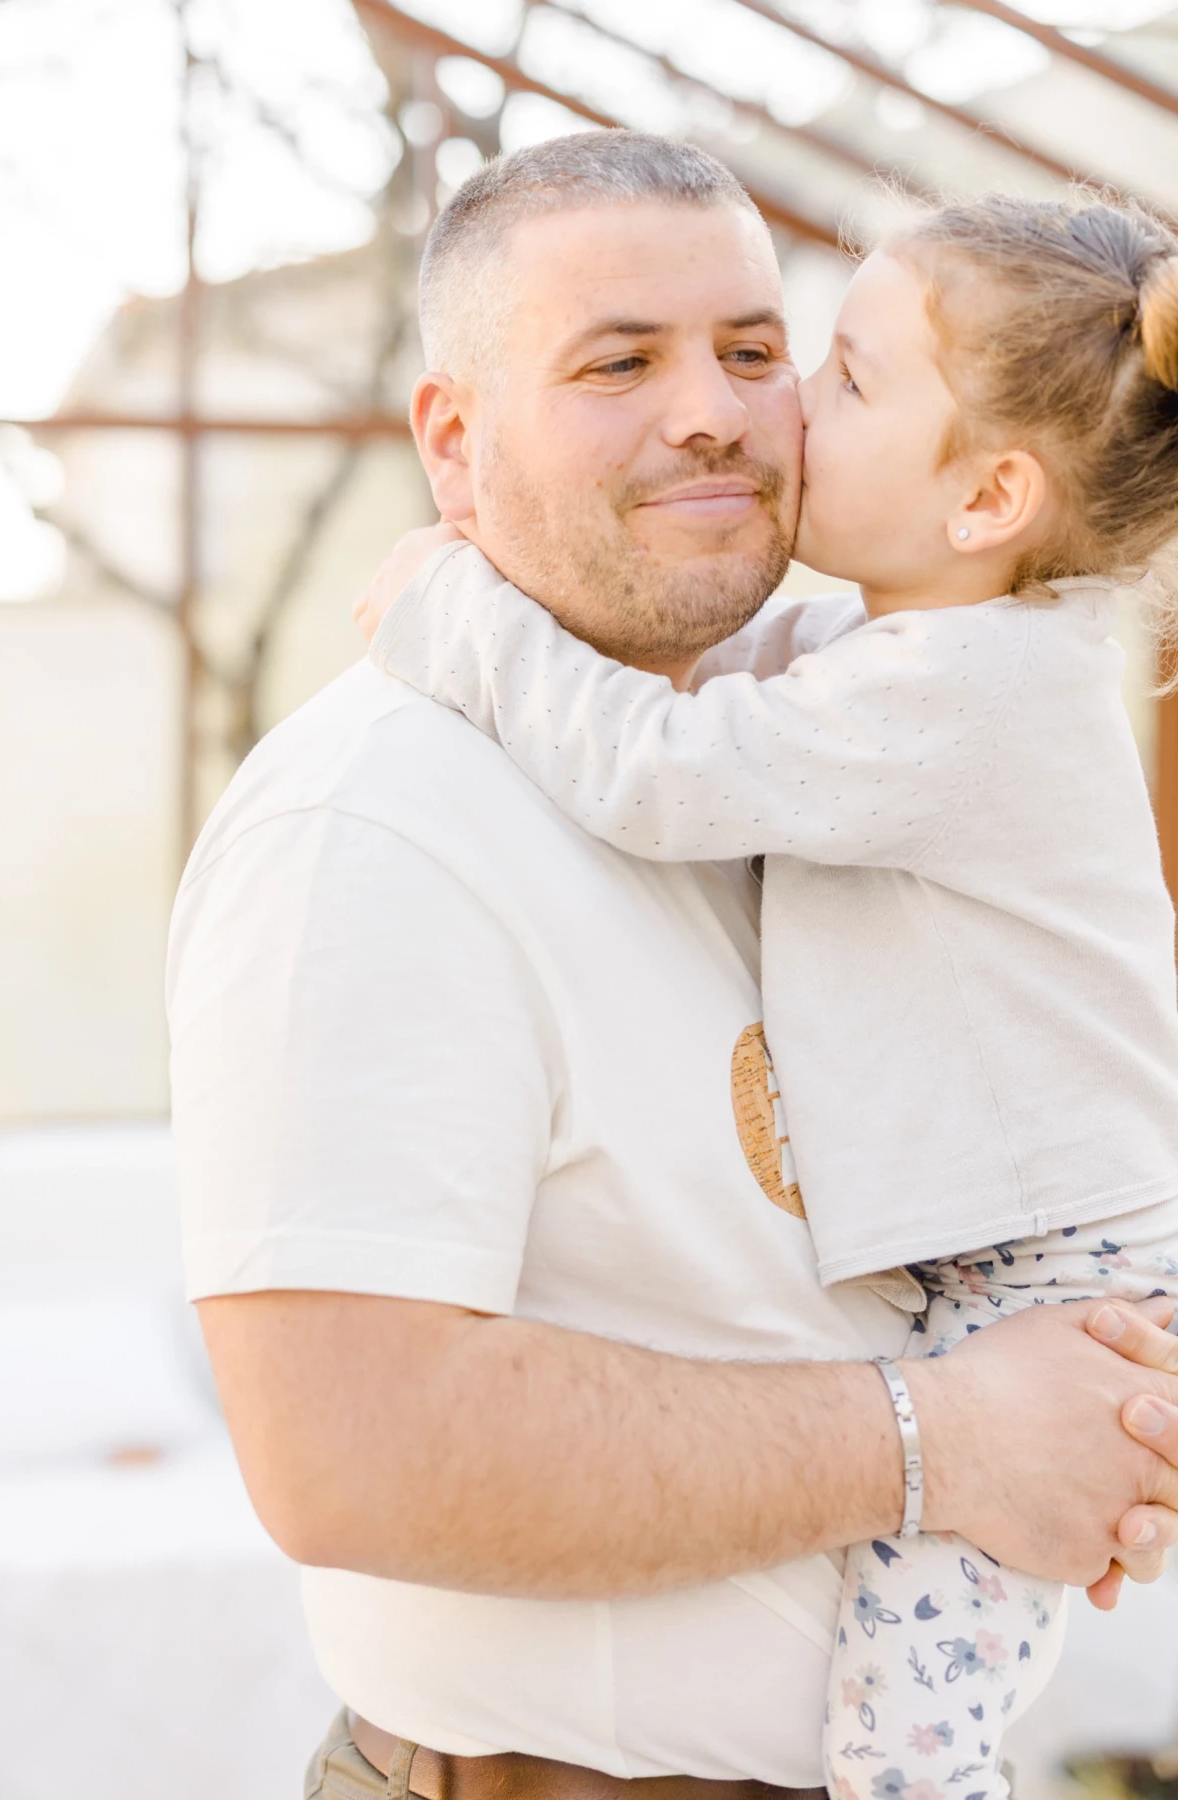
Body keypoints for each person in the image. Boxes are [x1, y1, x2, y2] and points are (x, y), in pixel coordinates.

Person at [168, 134, 1178, 1800]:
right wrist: (958, 1438)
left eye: (765, 354)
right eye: (618, 361)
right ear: (456, 440)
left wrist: (1096, 1419)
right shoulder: (380, 819)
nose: (715, 410)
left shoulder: (797, 731)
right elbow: (353, 1450)